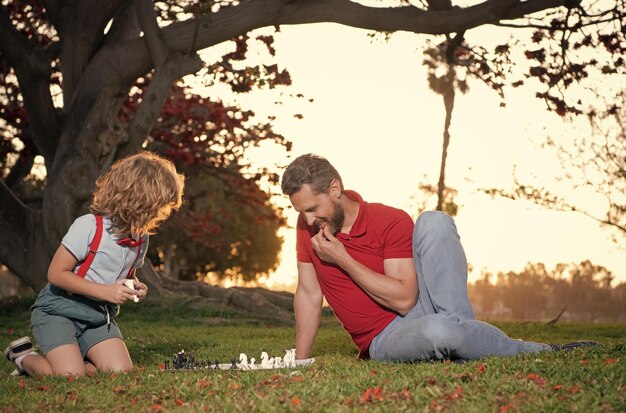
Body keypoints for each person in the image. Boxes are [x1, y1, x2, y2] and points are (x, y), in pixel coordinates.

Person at [280, 153, 598, 362]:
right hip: (385, 338)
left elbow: (404, 299)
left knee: (434, 220)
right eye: (301, 212)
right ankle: (496, 345)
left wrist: (343, 258)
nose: (308, 220)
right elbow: (309, 293)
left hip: (422, 306)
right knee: (439, 331)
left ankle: (463, 342)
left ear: (335, 189)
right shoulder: (308, 228)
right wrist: (300, 361)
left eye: (312, 209)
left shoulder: (388, 219)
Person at [4, 151, 185, 377]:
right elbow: (56, 274)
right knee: (70, 376)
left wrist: (136, 286)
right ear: (137, 199)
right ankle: (24, 357)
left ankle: (71, 359)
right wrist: (105, 292)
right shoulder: (89, 227)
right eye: (157, 207)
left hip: (98, 318)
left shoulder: (140, 239)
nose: (160, 214)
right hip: (58, 312)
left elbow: (126, 275)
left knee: (120, 371)